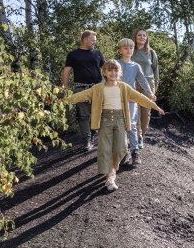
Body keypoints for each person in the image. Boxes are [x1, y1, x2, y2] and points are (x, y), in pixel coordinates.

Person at [65, 60, 165, 191]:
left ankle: (112, 169)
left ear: (119, 73)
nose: (113, 73)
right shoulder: (98, 88)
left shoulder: (124, 87)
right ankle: (110, 177)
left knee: (120, 149)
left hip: (120, 120)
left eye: (115, 70)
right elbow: (80, 95)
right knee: (105, 149)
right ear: (104, 72)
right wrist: (63, 100)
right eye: (110, 70)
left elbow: (140, 98)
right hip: (104, 120)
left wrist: (155, 106)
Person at [61, 30, 105, 151]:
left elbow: (106, 70)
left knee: (97, 114)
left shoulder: (98, 53)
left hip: (97, 88)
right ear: (85, 39)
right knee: (84, 116)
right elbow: (66, 72)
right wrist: (64, 89)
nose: (94, 43)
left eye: (95, 41)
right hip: (80, 88)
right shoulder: (73, 54)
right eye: (92, 40)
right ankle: (87, 142)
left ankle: (92, 136)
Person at [116, 38, 154, 166]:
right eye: (125, 48)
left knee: (131, 125)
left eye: (131, 48)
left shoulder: (136, 66)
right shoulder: (115, 64)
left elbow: (143, 81)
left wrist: (150, 93)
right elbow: (105, 79)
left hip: (131, 100)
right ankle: (123, 152)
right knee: (120, 127)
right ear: (120, 50)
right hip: (117, 100)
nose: (129, 50)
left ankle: (135, 152)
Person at [132, 28, 159, 149]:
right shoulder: (131, 50)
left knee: (146, 112)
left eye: (144, 35)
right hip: (133, 84)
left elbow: (156, 70)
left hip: (148, 84)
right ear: (135, 37)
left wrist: (156, 86)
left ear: (146, 38)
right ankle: (137, 136)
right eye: (139, 35)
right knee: (135, 111)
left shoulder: (151, 53)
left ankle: (142, 135)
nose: (142, 37)